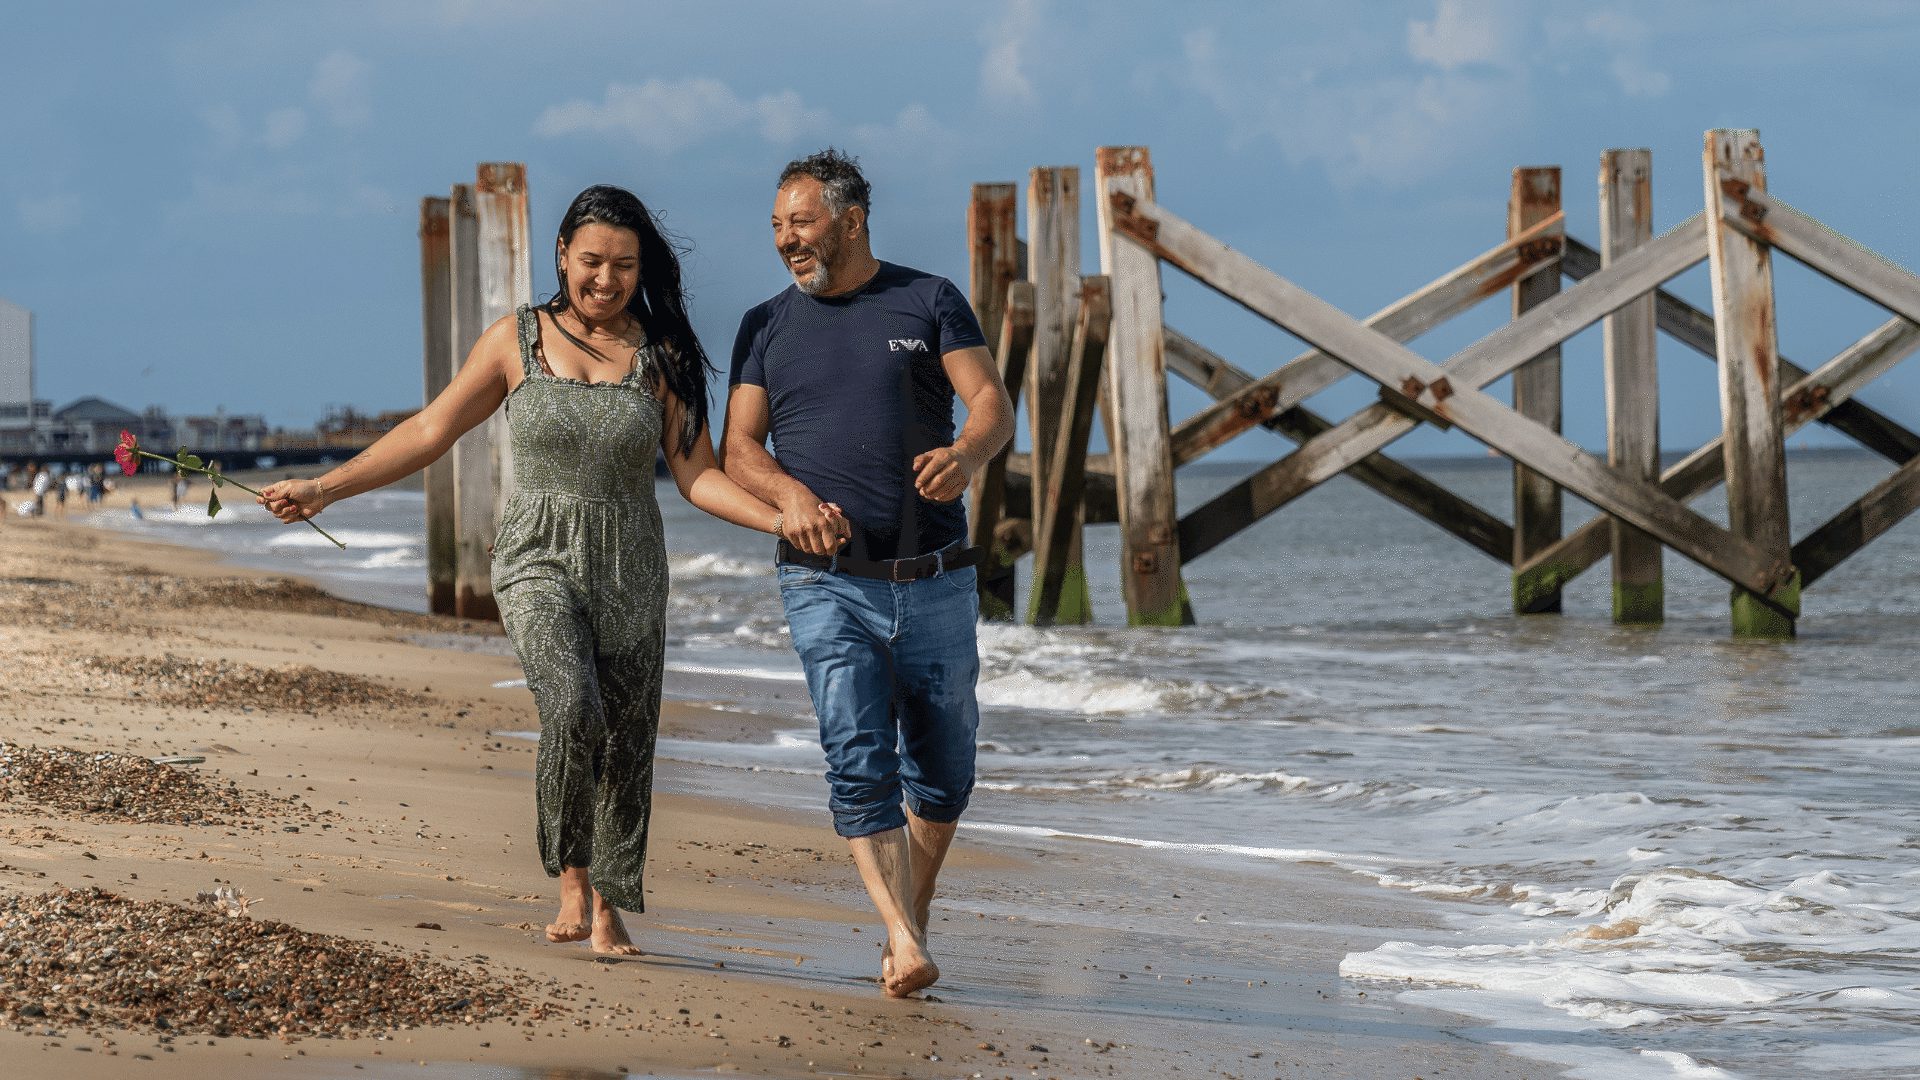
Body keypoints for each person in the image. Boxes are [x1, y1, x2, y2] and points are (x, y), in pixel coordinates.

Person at [258, 185, 839, 955]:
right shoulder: (516, 340)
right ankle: (572, 877)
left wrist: (781, 520)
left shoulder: (661, 356)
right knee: (572, 707)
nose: (606, 279)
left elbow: (696, 476)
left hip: (632, 562)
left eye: (624, 266)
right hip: (535, 557)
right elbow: (433, 429)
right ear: (562, 253)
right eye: (591, 261)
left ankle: (608, 905)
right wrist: (325, 487)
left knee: (628, 736)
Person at [722, 149, 1013, 997]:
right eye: (776, 226)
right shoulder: (764, 324)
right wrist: (790, 498)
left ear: (851, 221)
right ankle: (901, 935)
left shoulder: (928, 300)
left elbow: (992, 403)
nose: (785, 241)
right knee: (856, 754)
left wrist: (965, 454)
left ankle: (907, 926)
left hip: (937, 577)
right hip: (824, 579)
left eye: (800, 223)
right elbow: (740, 447)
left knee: (945, 769)